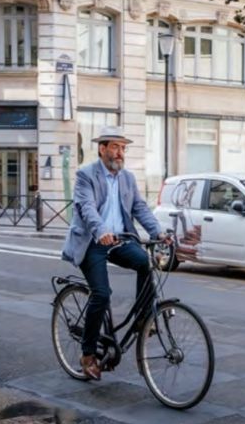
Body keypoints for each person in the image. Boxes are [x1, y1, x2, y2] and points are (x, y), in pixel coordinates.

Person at [62, 125, 170, 381]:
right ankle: (88, 355)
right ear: (102, 149)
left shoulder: (127, 178)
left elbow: (140, 209)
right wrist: (100, 230)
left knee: (146, 262)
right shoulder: (86, 175)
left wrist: (159, 232)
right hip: (92, 241)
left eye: (123, 148)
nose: (120, 153)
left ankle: (145, 318)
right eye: (115, 147)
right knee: (101, 294)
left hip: (120, 239)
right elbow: (87, 208)